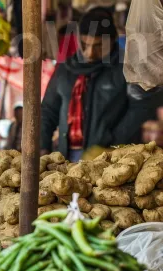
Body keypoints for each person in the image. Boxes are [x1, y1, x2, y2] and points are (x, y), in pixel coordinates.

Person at [41, 7, 163, 161]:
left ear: (112, 40)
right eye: (85, 45)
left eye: (98, 46)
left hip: (112, 159)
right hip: (65, 156)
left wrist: (111, 144)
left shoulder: (127, 68)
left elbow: (141, 108)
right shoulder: (66, 69)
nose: (90, 53)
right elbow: (47, 111)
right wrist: (42, 146)